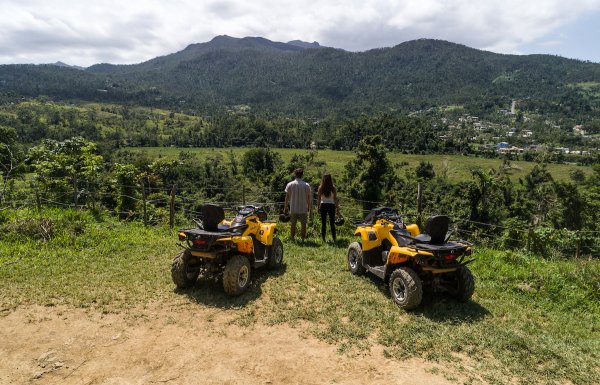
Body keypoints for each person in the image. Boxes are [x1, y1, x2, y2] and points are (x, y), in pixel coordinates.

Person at [284, 168, 312, 242]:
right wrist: (309, 206)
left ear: (295, 174)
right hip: (303, 207)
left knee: (293, 224)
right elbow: (309, 198)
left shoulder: (290, 184)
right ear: (302, 175)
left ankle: (293, 239)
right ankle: (302, 239)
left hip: (293, 207)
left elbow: (287, 197)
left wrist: (286, 206)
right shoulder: (306, 185)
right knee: (303, 225)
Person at [317, 173, 339, 242]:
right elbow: (335, 199)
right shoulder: (333, 188)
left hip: (323, 205)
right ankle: (334, 238)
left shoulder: (321, 187)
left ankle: (323, 238)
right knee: (332, 223)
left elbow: (319, 199)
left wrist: (318, 207)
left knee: (323, 223)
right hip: (331, 205)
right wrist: (337, 208)